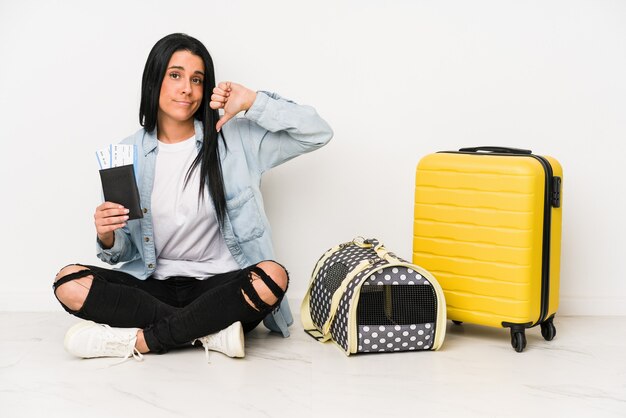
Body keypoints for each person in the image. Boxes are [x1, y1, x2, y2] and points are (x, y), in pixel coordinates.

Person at [52, 33, 333, 362]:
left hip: (220, 287)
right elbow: (125, 250)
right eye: (175, 75)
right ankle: (208, 331)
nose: (187, 88)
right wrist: (107, 235)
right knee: (68, 281)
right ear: (154, 80)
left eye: (197, 79)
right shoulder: (125, 153)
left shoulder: (236, 140)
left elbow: (317, 133)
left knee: (272, 276)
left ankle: (142, 341)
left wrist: (254, 102)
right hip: (154, 285)